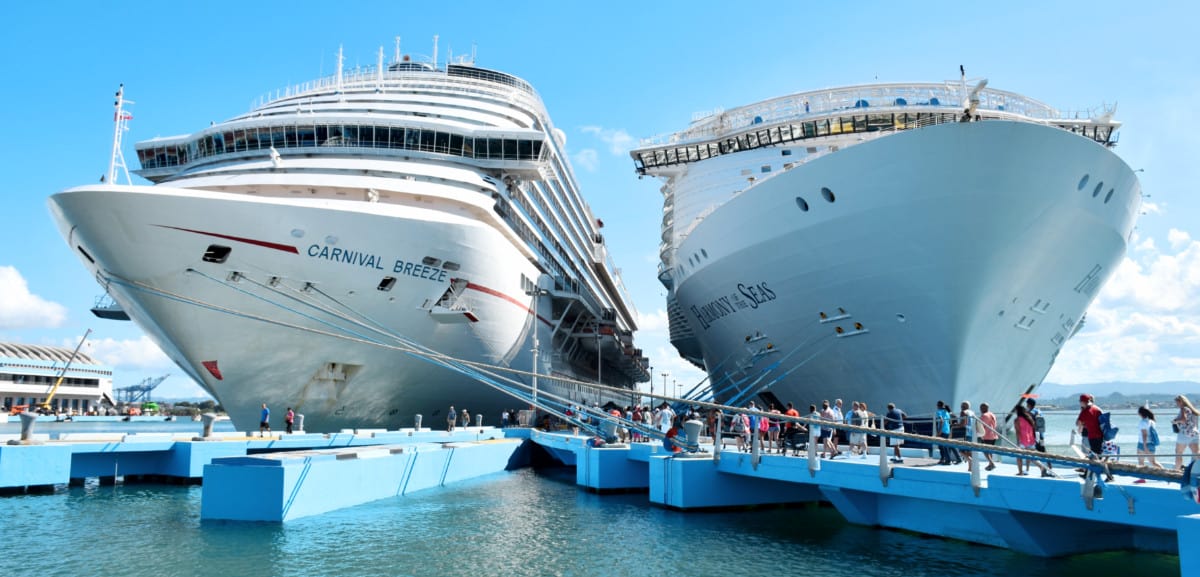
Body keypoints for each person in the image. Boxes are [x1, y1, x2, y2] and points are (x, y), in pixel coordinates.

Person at [1013, 403, 1045, 476]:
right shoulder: (1029, 418)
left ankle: (1020, 472)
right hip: (1031, 440)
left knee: (1019, 457)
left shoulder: (1017, 420)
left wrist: (1018, 442)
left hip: (1023, 441)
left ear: (1017, 411)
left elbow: (1018, 432)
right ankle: (1041, 467)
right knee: (1031, 457)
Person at [1172, 394, 1200, 470]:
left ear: (1181, 402)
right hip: (1194, 434)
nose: (1177, 404)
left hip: (1184, 434)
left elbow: (1183, 420)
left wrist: (1175, 421)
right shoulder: (1193, 410)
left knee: (1178, 453)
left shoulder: (1183, 409)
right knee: (1197, 453)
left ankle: (1176, 471)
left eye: (1177, 402)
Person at [1026, 398, 1052, 475]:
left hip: (1034, 436)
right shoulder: (1039, 411)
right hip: (1041, 435)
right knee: (1044, 452)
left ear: (1029, 404)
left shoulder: (1030, 413)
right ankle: (1050, 468)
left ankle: (1032, 469)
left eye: (1027, 404)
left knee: (1029, 452)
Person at [1136, 406, 1165, 475]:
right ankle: (1164, 472)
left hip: (1142, 444)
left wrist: (1145, 446)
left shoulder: (1142, 422)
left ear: (1140, 413)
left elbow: (1144, 435)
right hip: (1151, 444)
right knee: (1153, 462)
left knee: (1141, 462)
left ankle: (1142, 477)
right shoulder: (1152, 421)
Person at [1076, 394, 1103, 458]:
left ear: (1083, 402)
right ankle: (1099, 463)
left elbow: (1078, 423)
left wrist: (1081, 427)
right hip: (1100, 435)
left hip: (1091, 436)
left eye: (1080, 401)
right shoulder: (1097, 409)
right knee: (1098, 453)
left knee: (1090, 454)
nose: (1080, 403)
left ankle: (1092, 464)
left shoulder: (1084, 412)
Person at [978, 403, 998, 471]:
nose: (980, 409)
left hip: (987, 436)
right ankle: (990, 464)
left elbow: (981, 426)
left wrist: (978, 433)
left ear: (984, 408)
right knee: (990, 451)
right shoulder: (992, 414)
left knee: (984, 450)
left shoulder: (984, 415)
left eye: (981, 408)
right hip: (993, 435)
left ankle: (992, 463)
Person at [935, 401, 956, 465]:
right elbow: (950, 421)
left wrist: (939, 431)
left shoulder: (938, 412)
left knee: (941, 446)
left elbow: (941, 421)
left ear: (938, 405)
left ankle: (946, 460)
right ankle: (945, 459)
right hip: (947, 430)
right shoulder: (946, 412)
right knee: (945, 446)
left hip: (942, 431)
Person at [956, 401, 976, 466]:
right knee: (968, 450)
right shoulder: (972, 412)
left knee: (961, 451)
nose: (961, 407)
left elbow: (963, 424)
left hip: (964, 433)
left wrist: (955, 425)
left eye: (962, 406)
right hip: (971, 433)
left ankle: (970, 461)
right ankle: (970, 467)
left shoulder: (963, 412)